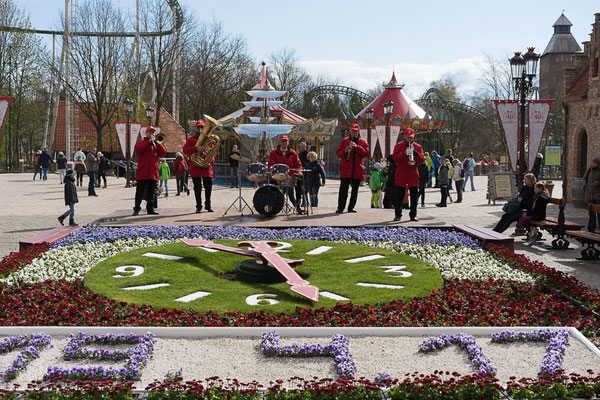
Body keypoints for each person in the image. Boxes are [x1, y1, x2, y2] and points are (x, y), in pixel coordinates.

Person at [392, 128, 425, 222]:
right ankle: (398, 215)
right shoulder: (398, 146)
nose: (409, 139)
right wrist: (404, 153)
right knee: (399, 196)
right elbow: (395, 158)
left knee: (414, 197)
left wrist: (416, 154)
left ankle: (413, 215)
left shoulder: (418, 147)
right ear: (404, 137)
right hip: (401, 173)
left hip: (413, 174)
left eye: (411, 137)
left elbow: (422, 160)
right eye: (408, 137)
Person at [133, 126, 166, 216]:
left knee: (152, 193)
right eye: (149, 132)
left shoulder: (156, 144)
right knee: (139, 191)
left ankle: (150, 209)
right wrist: (148, 142)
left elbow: (163, 152)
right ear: (146, 133)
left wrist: (157, 143)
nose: (151, 134)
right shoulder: (141, 143)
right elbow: (138, 150)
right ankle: (136, 209)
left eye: (153, 132)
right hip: (143, 172)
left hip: (153, 173)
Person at [336, 124, 369, 214]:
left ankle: (351, 207)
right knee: (343, 190)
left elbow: (366, 153)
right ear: (350, 131)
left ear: (358, 131)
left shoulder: (362, 142)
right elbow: (338, 153)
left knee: (355, 191)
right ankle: (340, 207)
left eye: (356, 131)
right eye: (352, 131)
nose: (354, 132)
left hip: (357, 170)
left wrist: (357, 147)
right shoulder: (345, 141)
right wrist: (345, 150)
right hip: (346, 169)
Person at [183, 120, 215, 213]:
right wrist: (196, 148)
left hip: (206, 167)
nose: (200, 129)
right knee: (197, 188)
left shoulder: (208, 140)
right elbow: (185, 150)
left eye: (202, 127)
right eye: (198, 127)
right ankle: (198, 206)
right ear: (195, 128)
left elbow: (212, 153)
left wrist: (210, 162)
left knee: (208, 187)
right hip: (196, 166)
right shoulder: (191, 139)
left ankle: (208, 205)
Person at [268, 135, 303, 214]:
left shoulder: (293, 153)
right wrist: (273, 170)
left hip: (290, 176)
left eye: (285, 141)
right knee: (276, 193)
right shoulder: (274, 152)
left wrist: (299, 171)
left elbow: (298, 165)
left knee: (293, 191)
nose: (284, 143)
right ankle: (274, 208)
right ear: (280, 142)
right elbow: (270, 164)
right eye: (283, 141)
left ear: (288, 142)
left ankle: (297, 206)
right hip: (277, 176)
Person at [583, 156, 600, 232]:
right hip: (590, 195)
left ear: (598, 164)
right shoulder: (590, 170)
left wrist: (598, 183)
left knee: (599, 212)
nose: (592, 164)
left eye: (594, 163)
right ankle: (592, 227)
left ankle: (599, 226)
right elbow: (584, 177)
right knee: (591, 213)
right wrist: (588, 169)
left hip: (598, 195)